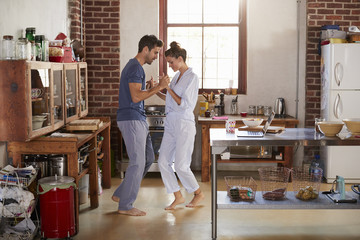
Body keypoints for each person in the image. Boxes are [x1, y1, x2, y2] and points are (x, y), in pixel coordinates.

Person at [112, 35, 170, 216]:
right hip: (132, 119)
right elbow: (136, 97)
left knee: (147, 158)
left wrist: (148, 88)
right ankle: (125, 206)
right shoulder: (135, 68)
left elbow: (135, 93)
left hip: (137, 118)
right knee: (137, 162)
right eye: (155, 52)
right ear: (145, 49)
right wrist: (159, 87)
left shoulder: (135, 68)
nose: (156, 56)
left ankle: (121, 193)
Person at [156, 41, 204, 210]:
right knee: (163, 161)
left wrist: (166, 87)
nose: (169, 65)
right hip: (171, 122)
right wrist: (157, 89)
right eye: (168, 62)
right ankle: (177, 196)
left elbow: (182, 103)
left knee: (181, 165)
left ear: (180, 59)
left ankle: (198, 193)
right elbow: (170, 99)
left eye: (171, 62)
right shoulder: (176, 77)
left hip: (184, 123)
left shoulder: (192, 77)